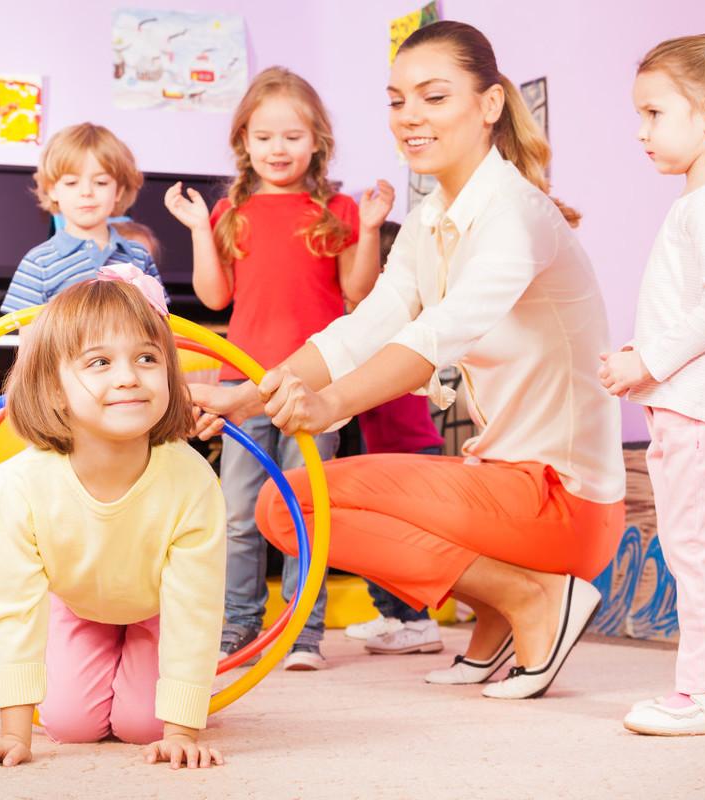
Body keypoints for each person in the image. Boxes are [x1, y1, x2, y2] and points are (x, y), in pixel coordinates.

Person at [191, 20, 626, 700]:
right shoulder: (430, 219)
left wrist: (329, 404)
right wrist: (246, 396)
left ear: (488, 106)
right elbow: (365, 325)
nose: (409, 118)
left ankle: (534, 596)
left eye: (433, 97)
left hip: (562, 501)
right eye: (396, 100)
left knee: (288, 508)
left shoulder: (514, 213)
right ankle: (497, 615)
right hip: (506, 484)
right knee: (284, 507)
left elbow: (437, 337)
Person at [0, 274, 226, 769]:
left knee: (144, 727)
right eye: (99, 363)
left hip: (156, 609)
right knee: (69, 725)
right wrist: (16, 734)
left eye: (147, 358)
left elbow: (196, 607)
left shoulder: (191, 478)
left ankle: (151, 675)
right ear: (54, 390)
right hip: (80, 604)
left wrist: (182, 729)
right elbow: (14, 603)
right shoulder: (23, 480)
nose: (128, 377)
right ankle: (102, 656)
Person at [165, 66, 384, 670]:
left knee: (304, 507)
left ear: (317, 141)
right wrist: (196, 230)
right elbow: (213, 298)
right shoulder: (231, 212)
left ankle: (302, 632)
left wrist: (367, 232)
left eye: (292, 136)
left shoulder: (335, 208)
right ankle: (238, 625)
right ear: (244, 142)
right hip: (242, 384)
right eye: (263, 137)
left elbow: (358, 292)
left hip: (313, 386)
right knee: (237, 512)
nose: (278, 149)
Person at [599, 33, 705, 736]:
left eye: (654, 114)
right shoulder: (703, 202)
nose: (641, 131)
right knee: (700, 547)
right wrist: (642, 356)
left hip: (697, 413)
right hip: (690, 407)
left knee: (694, 549)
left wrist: (646, 362)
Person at [345, 220, 450, 658]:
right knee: (374, 541)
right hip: (390, 449)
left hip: (409, 451)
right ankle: (393, 616)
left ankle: (417, 623)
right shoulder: (381, 322)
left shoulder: (396, 324)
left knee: (396, 544)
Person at [0, 123, 163, 314]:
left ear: (118, 191)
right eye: (71, 183)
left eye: (101, 182)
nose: (86, 192)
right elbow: (29, 341)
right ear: (52, 190)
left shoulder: (139, 255)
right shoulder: (38, 262)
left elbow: (160, 325)